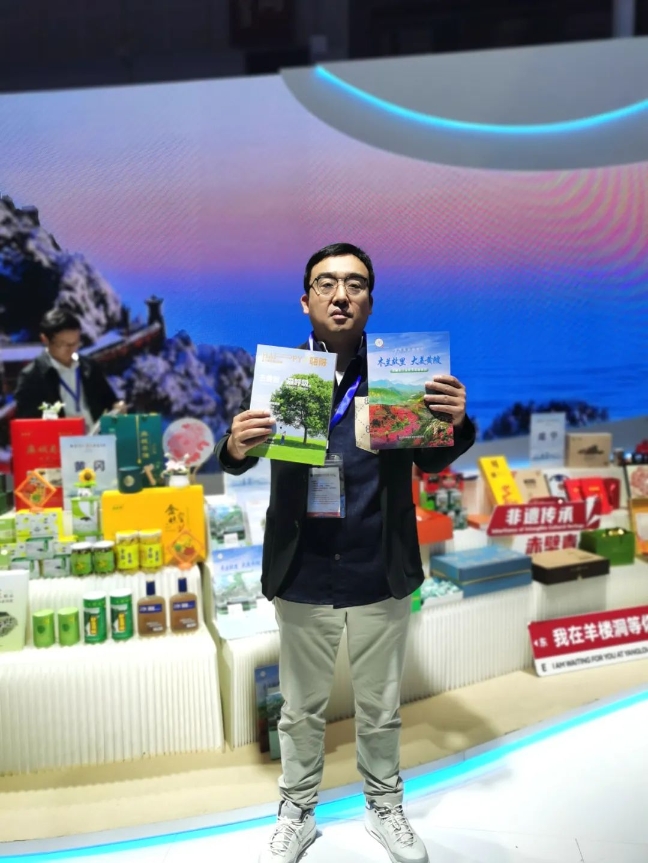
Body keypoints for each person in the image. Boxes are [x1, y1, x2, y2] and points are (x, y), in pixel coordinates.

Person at [215, 243, 475, 863]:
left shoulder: (400, 376)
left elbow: (432, 457)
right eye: (326, 283)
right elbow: (235, 458)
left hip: (377, 562)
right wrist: (235, 444)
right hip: (303, 565)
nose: (340, 295)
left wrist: (457, 422)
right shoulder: (281, 375)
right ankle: (296, 812)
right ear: (305, 300)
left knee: (380, 706)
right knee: (300, 709)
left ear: (370, 302)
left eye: (355, 284)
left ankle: (385, 807)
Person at [14, 309, 124, 429]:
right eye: (63, 344)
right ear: (45, 339)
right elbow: (28, 425)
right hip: (61, 439)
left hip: (97, 437)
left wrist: (118, 407)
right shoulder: (32, 377)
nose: (71, 349)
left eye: (75, 343)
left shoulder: (89, 367)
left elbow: (110, 402)